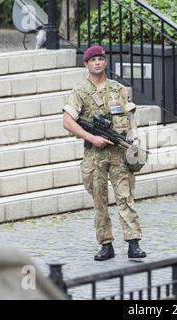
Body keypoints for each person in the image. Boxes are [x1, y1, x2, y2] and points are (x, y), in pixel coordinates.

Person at [62, 45, 146, 261]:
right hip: (95, 155)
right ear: (86, 64)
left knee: (125, 197)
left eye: (101, 59)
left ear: (105, 62)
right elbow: (67, 122)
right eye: (93, 60)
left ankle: (133, 243)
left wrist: (135, 138)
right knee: (99, 201)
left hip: (119, 152)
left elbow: (130, 117)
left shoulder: (118, 89)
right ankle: (106, 244)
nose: (98, 63)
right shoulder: (80, 91)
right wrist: (92, 138)